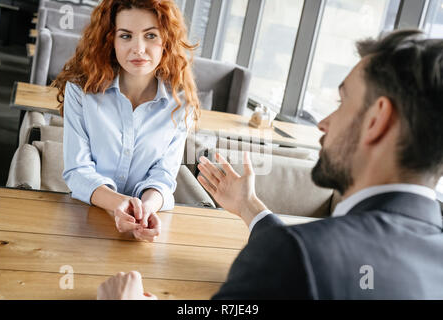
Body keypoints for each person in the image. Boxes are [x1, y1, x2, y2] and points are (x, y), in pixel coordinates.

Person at [96, 29, 443, 299]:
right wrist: (250, 208)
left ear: (377, 119)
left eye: (342, 102)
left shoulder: (293, 257)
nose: (323, 123)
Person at [53, 0, 200, 242]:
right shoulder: (80, 90)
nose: (139, 49)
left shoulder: (180, 102)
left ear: (167, 41)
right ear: (110, 40)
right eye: (126, 36)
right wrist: (119, 204)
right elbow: (77, 170)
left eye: (151, 35)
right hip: (85, 221)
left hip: (146, 228)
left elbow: (164, 174)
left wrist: (147, 208)